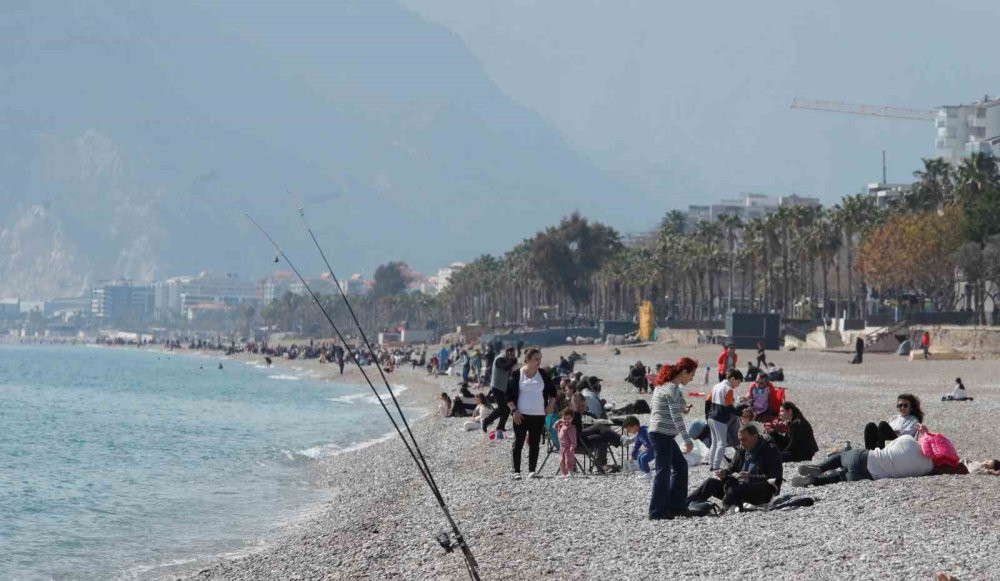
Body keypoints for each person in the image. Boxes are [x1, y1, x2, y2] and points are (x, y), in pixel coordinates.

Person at [686, 424, 782, 512]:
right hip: (741, 489)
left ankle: (726, 509)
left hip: (761, 492)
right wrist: (724, 472)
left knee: (733, 490)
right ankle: (684, 505)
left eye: (744, 439)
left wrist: (751, 477)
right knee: (710, 483)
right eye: (740, 440)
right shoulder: (742, 449)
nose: (741, 443)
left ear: (755, 437)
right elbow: (731, 468)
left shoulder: (770, 450)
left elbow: (775, 477)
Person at [648, 357, 698, 520]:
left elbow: (675, 405)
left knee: (680, 466)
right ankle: (657, 511)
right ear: (684, 372)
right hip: (661, 434)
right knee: (663, 471)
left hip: (663, 434)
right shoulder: (671, 389)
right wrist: (687, 439)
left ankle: (676, 506)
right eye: (692, 375)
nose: (692, 379)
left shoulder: (666, 386)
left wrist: (684, 408)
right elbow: (675, 416)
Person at [791, 432, 934, 487]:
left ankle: (820, 468)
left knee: (841, 457)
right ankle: (815, 481)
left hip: (864, 458)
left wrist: (922, 434)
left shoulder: (909, 440)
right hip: (867, 476)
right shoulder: (927, 467)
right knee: (839, 477)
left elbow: (887, 446)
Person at [506, 348, 558, 479]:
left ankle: (532, 471)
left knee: (534, 443)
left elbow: (553, 392)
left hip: (539, 415)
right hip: (521, 415)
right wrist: (514, 411)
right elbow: (508, 396)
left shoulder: (543, 374)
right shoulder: (517, 374)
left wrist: (550, 405)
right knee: (518, 442)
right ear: (528, 360)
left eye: (540, 359)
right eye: (536, 359)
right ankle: (516, 471)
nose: (539, 362)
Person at [707, 369, 742, 471]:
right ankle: (716, 466)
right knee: (722, 443)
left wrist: (706, 415)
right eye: (738, 382)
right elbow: (729, 407)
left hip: (711, 416)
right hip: (720, 418)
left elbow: (708, 401)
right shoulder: (728, 389)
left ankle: (711, 464)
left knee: (714, 442)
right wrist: (740, 413)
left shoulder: (716, 386)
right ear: (733, 379)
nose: (738, 385)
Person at [481, 347, 518, 435]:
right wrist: (512, 360)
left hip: (504, 387)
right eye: (511, 353)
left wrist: (513, 360)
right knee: (502, 408)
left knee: (507, 408)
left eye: (514, 353)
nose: (513, 355)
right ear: (507, 352)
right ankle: (486, 421)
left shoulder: (508, 359)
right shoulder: (499, 359)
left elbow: (513, 365)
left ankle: (500, 427)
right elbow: (505, 367)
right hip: (497, 387)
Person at [554, 408, 577, 478]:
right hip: (562, 447)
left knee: (568, 460)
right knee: (562, 461)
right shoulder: (561, 426)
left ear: (572, 419)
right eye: (564, 418)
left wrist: (573, 446)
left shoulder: (571, 428)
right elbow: (555, 427)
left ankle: (570, 472)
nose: (566, 420)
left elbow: (573, 439)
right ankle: (564, 473)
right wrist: (559, 421)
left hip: (568, 447)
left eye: (568, 419)